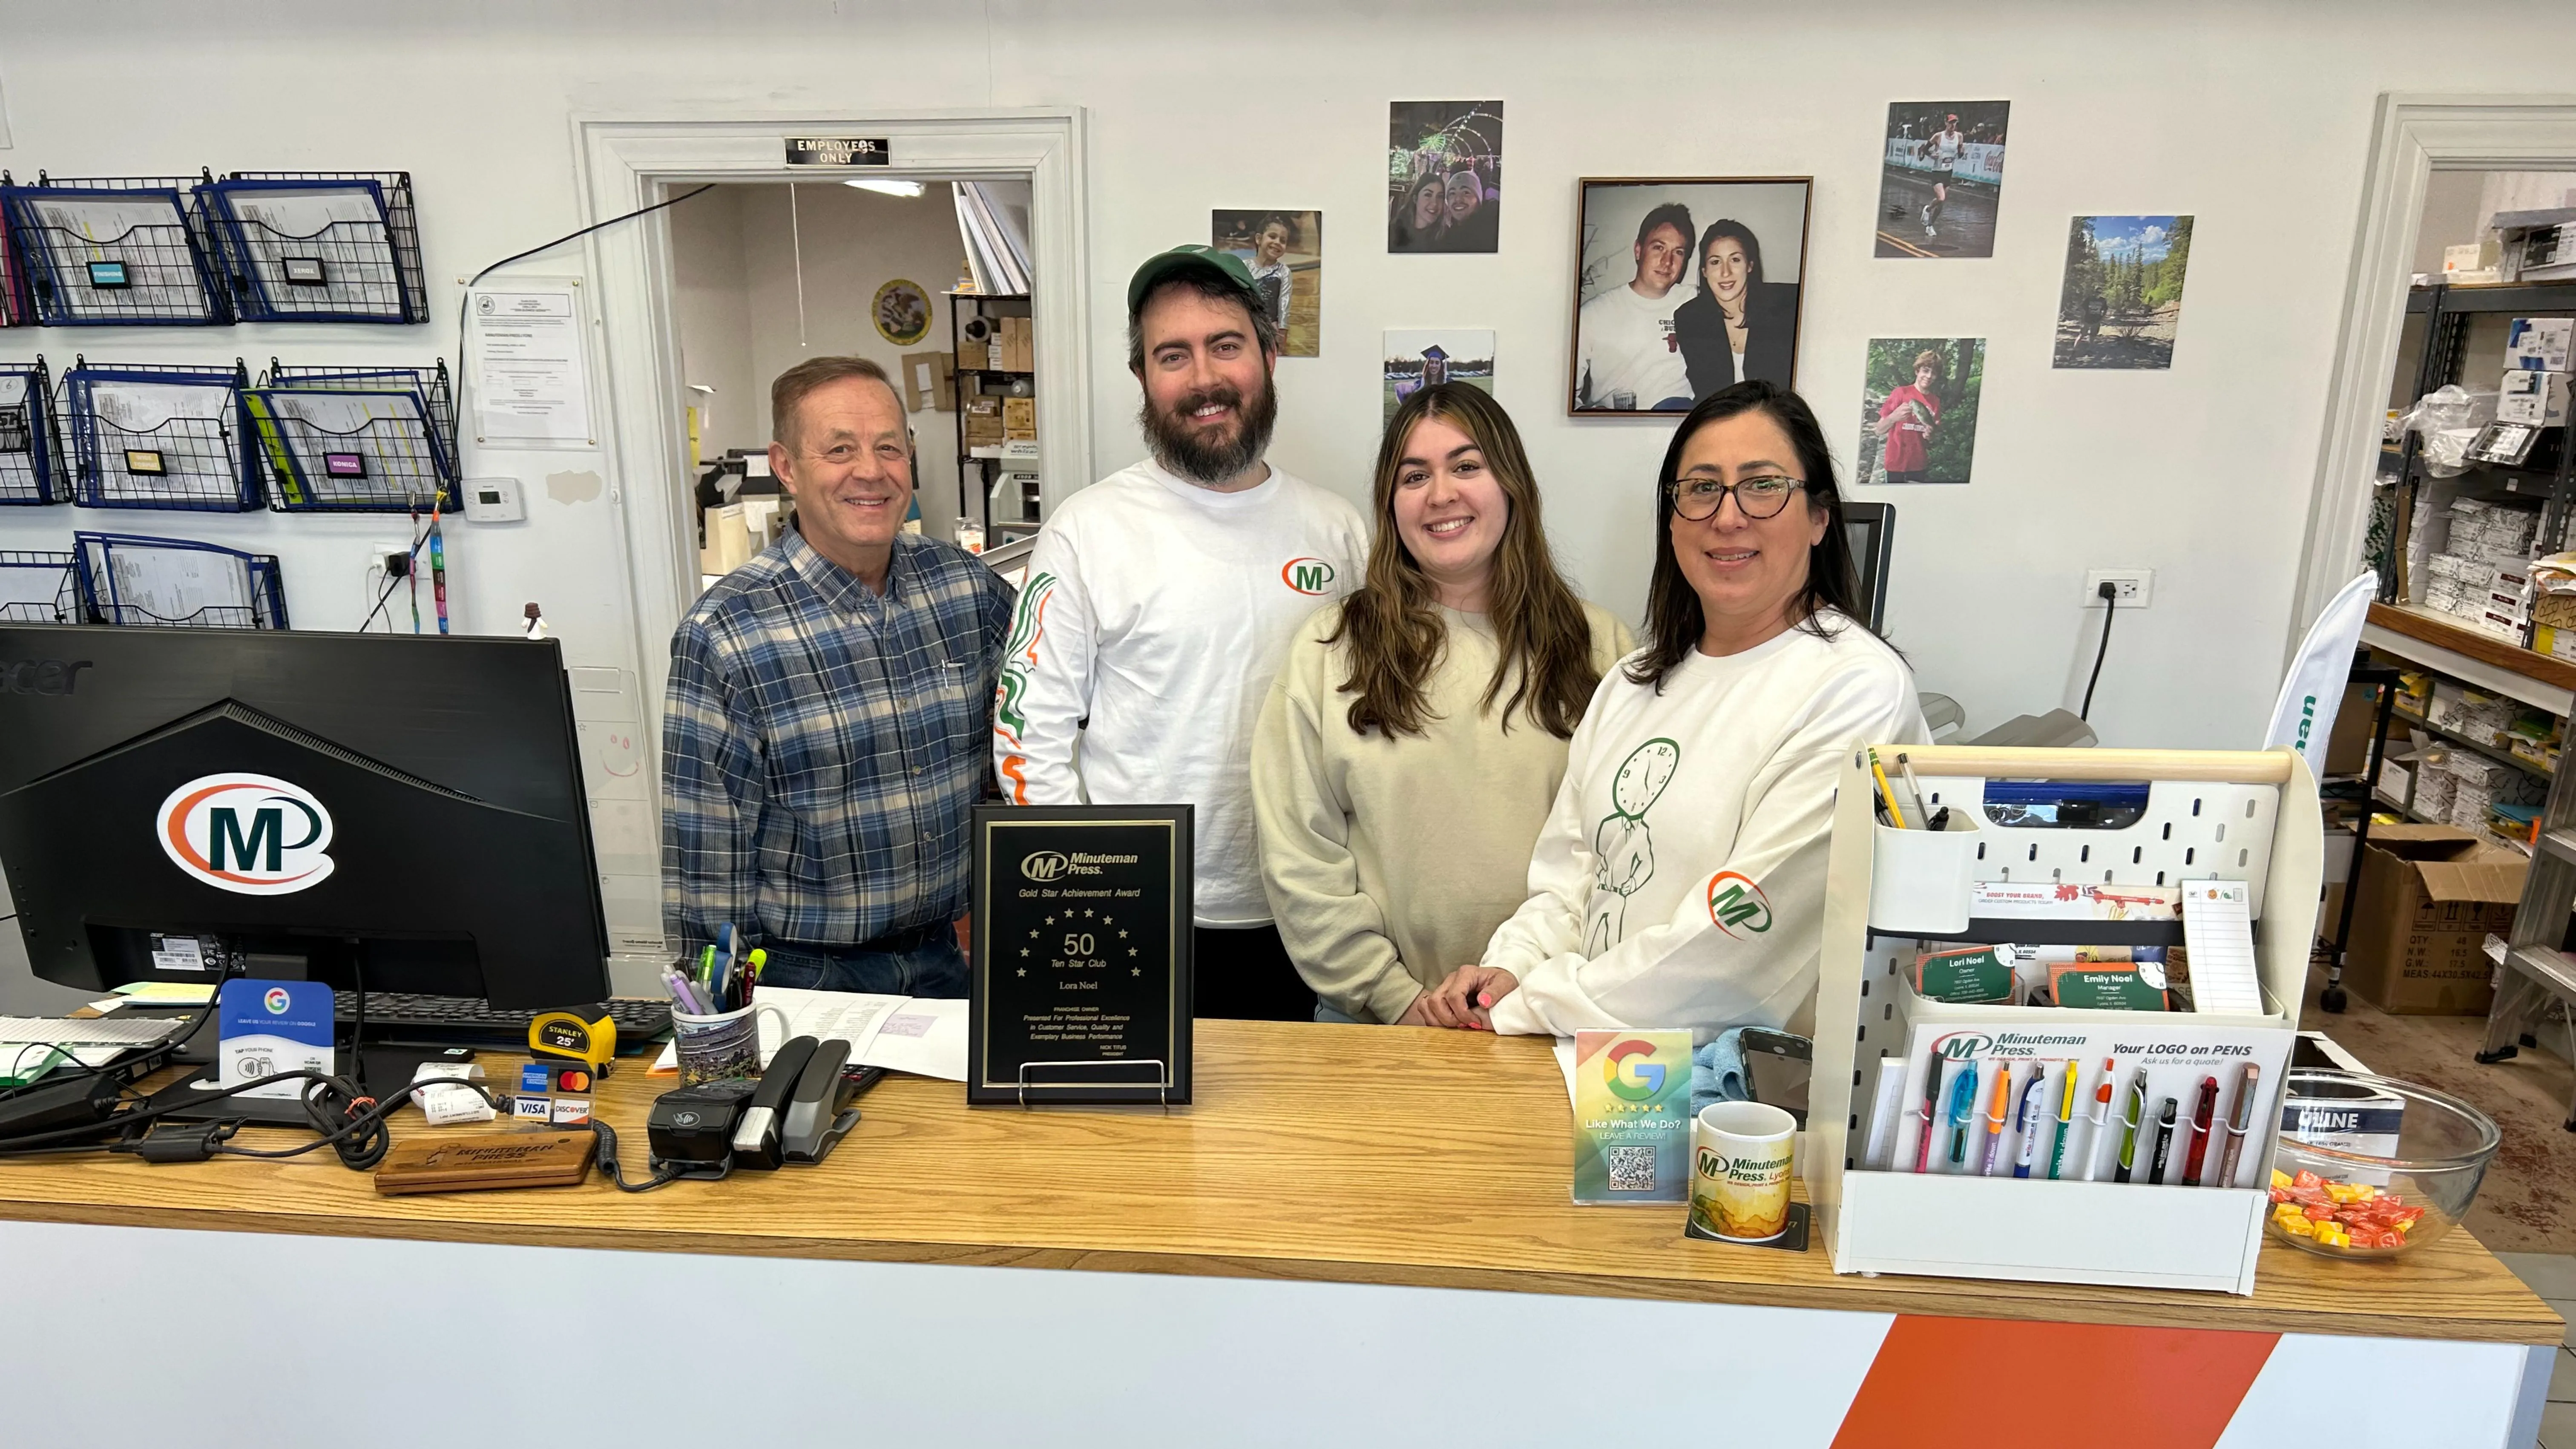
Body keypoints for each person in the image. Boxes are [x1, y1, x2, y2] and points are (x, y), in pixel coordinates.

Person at [1420, 381, 1927, 1037]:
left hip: (1735, 1105)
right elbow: (1574, 871)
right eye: (1702, 488)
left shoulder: (1855, 691)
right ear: (1672, 516)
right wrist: (1511, 968)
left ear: (1820, 517)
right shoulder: (1635, 681)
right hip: (1599, 1069)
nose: (1727, 516)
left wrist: (1525, 1008)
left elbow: (1732, 948)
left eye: (1763, 485)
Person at [995, 245, 1368, 1021]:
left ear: (1268, 357)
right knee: (1133, 1141)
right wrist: (1088, 889)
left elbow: (1374, 723)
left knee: (1287, 1137)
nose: (1203, 378)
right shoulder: (1086, 532)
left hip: (1306, 914)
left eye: (1225, 345)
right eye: (1173, 355)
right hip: (1137, 918)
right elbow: (1027, 736)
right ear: (1143, 378)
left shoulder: (1337, 531)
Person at [1252, 384, 1631, 1025]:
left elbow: (1624, 848)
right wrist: (1396, 998)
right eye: (1414, 475)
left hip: (1553, 1012)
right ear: (1390, 503)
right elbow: (1298, 852)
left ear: (1511, 483)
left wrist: (1529, 980)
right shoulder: (1329, 649)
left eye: (1466, 465)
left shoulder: (1601, 647)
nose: (1441, 494)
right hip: (1379, 1024)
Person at [661, 356, 1013, 996]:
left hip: (945, 960)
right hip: (806, 978)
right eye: (840, 449)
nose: (871, 471)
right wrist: (719, 1034)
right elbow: (706, 869)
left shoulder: (969, 592)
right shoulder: (725, 635)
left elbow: (1034, 746)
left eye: (888, 447)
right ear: (787, 466)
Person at [1574, 202, 1693, 411]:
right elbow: (1563, 396)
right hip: (1620, 428)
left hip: (1683, 422)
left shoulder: (1696, 300)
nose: (1667, 262)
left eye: (1679, 252)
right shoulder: (1593, 314)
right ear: (1638, 250)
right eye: (1658, 248)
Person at [1671, 219, 1800, 399]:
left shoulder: (1788, 306)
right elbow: (1708, 393)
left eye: (1735, 260)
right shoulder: (1690, 319)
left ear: (1750, 266)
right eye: (1716, 262)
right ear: (1704, 271)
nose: (1726, 272)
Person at [1875, 350, 1943, 485]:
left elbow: (1934, 437)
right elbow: (1879, 430)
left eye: (1934, 373)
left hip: (1918, 464)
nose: (1929, 376)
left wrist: (1930, 435)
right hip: (1895, 463)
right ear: (1917, 371)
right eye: (1926, 370)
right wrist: (1894, 417)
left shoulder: (1935, 401)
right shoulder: (1900, 393)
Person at [1246, 214, 1296, 333]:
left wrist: (1283, 331)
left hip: (1270, 328)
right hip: (1246, 324)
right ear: (1259, 239)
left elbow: (1285, 303)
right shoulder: (1244, 266)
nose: (1278, 242)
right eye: (1273, 237)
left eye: (1283, 241)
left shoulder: (1283, 271)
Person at [1922, 112, 1964, 239]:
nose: (1952, 125)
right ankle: (1928, 210)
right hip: (1937, 172)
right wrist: (1931, 155)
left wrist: (1962, 152)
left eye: (1955, 123)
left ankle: (1930, 225)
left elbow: (1960, 154)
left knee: (1942, 204)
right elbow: (1924, 149)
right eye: (1950, 123)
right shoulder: (1938, 136)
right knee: (1941, 198)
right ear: (1946, 123)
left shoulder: (1960, 137)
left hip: (1948, 172)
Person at [1437, 169, 1497, 252]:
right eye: (1452, 193)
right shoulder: (1448, 234)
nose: (1458, 199)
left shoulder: (1492, 234)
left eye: (1466, 192)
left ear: (1478, 199)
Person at [1390, 172, 1446, 251]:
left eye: (1440, 197)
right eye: (1428, 195)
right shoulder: (1393, 233)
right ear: (1415, 199)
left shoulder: (1446, 238)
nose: (1435, 204)